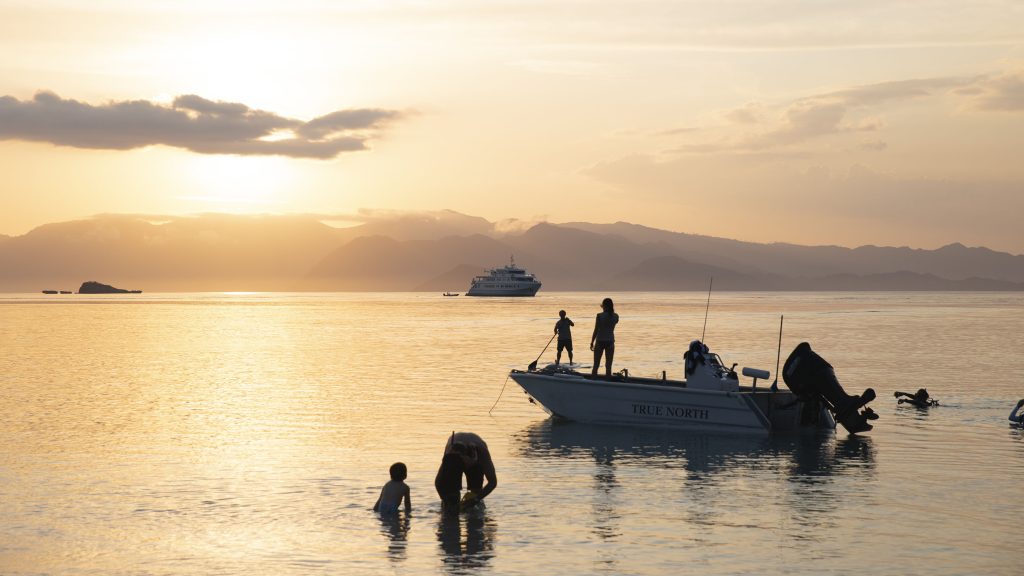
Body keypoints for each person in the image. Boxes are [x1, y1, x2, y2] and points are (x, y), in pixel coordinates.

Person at [441, 432, 497, 509]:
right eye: (464, 464)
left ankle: (473, 511)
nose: (466, 467)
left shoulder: (482, 455)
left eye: (469, 465)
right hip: (454, 458)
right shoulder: (450, 457)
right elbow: (439, 483)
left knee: (475, 492)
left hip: (477, 456)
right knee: (451, 494)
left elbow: (493, 482)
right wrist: (445, 499)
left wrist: (476, 499)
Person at [590, 297, 619, 376]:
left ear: (604, 306)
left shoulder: (599, 316)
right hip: (610, 341)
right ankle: (608, 382)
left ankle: (593, 381)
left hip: (600, 341)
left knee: (596, 365)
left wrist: (592, 342)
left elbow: (596, 330)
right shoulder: (616, 316)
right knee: (608, 366)